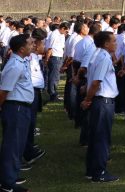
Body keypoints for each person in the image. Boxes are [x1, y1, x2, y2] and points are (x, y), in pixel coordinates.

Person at [82, 31, 119, 183]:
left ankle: (92, 170)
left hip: (100, 101)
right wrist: (87, 99)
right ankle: (99, 172)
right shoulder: (104, 58)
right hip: (103, 101)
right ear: (106, 44)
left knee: (95, 136)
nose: (116, 44)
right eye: (114, 41)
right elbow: (96, 82)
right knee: (102, 137)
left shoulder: (96, 54)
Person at [0, 34, 35, 192]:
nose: (33, 45)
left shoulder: (21, 61)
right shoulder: (15, 65)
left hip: (21, 108)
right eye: (30, 44)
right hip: (16, 108)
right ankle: (7, 184)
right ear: (21, 49)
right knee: (13, 146)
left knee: (18, 144)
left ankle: (10, 175)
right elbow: (4, 91)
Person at [24, 29, 46, 166]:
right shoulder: (30, 58)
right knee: (29, 122)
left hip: (35, 91)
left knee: (32, 122)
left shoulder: (35, 57)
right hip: (30, 91)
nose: (44, 46)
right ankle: (27, 151)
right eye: (42, 43)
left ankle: (29, 147)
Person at [43, 22, 67, 102]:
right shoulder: (54, 34)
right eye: (66, 31)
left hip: (59, 57)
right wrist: (46, 60)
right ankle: (52, 95)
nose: (66, 33)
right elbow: (50, 48)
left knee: (56, 77)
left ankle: (53, 93)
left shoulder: (61, 35)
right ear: (62, 28)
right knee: (53, 77)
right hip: (54, 58)